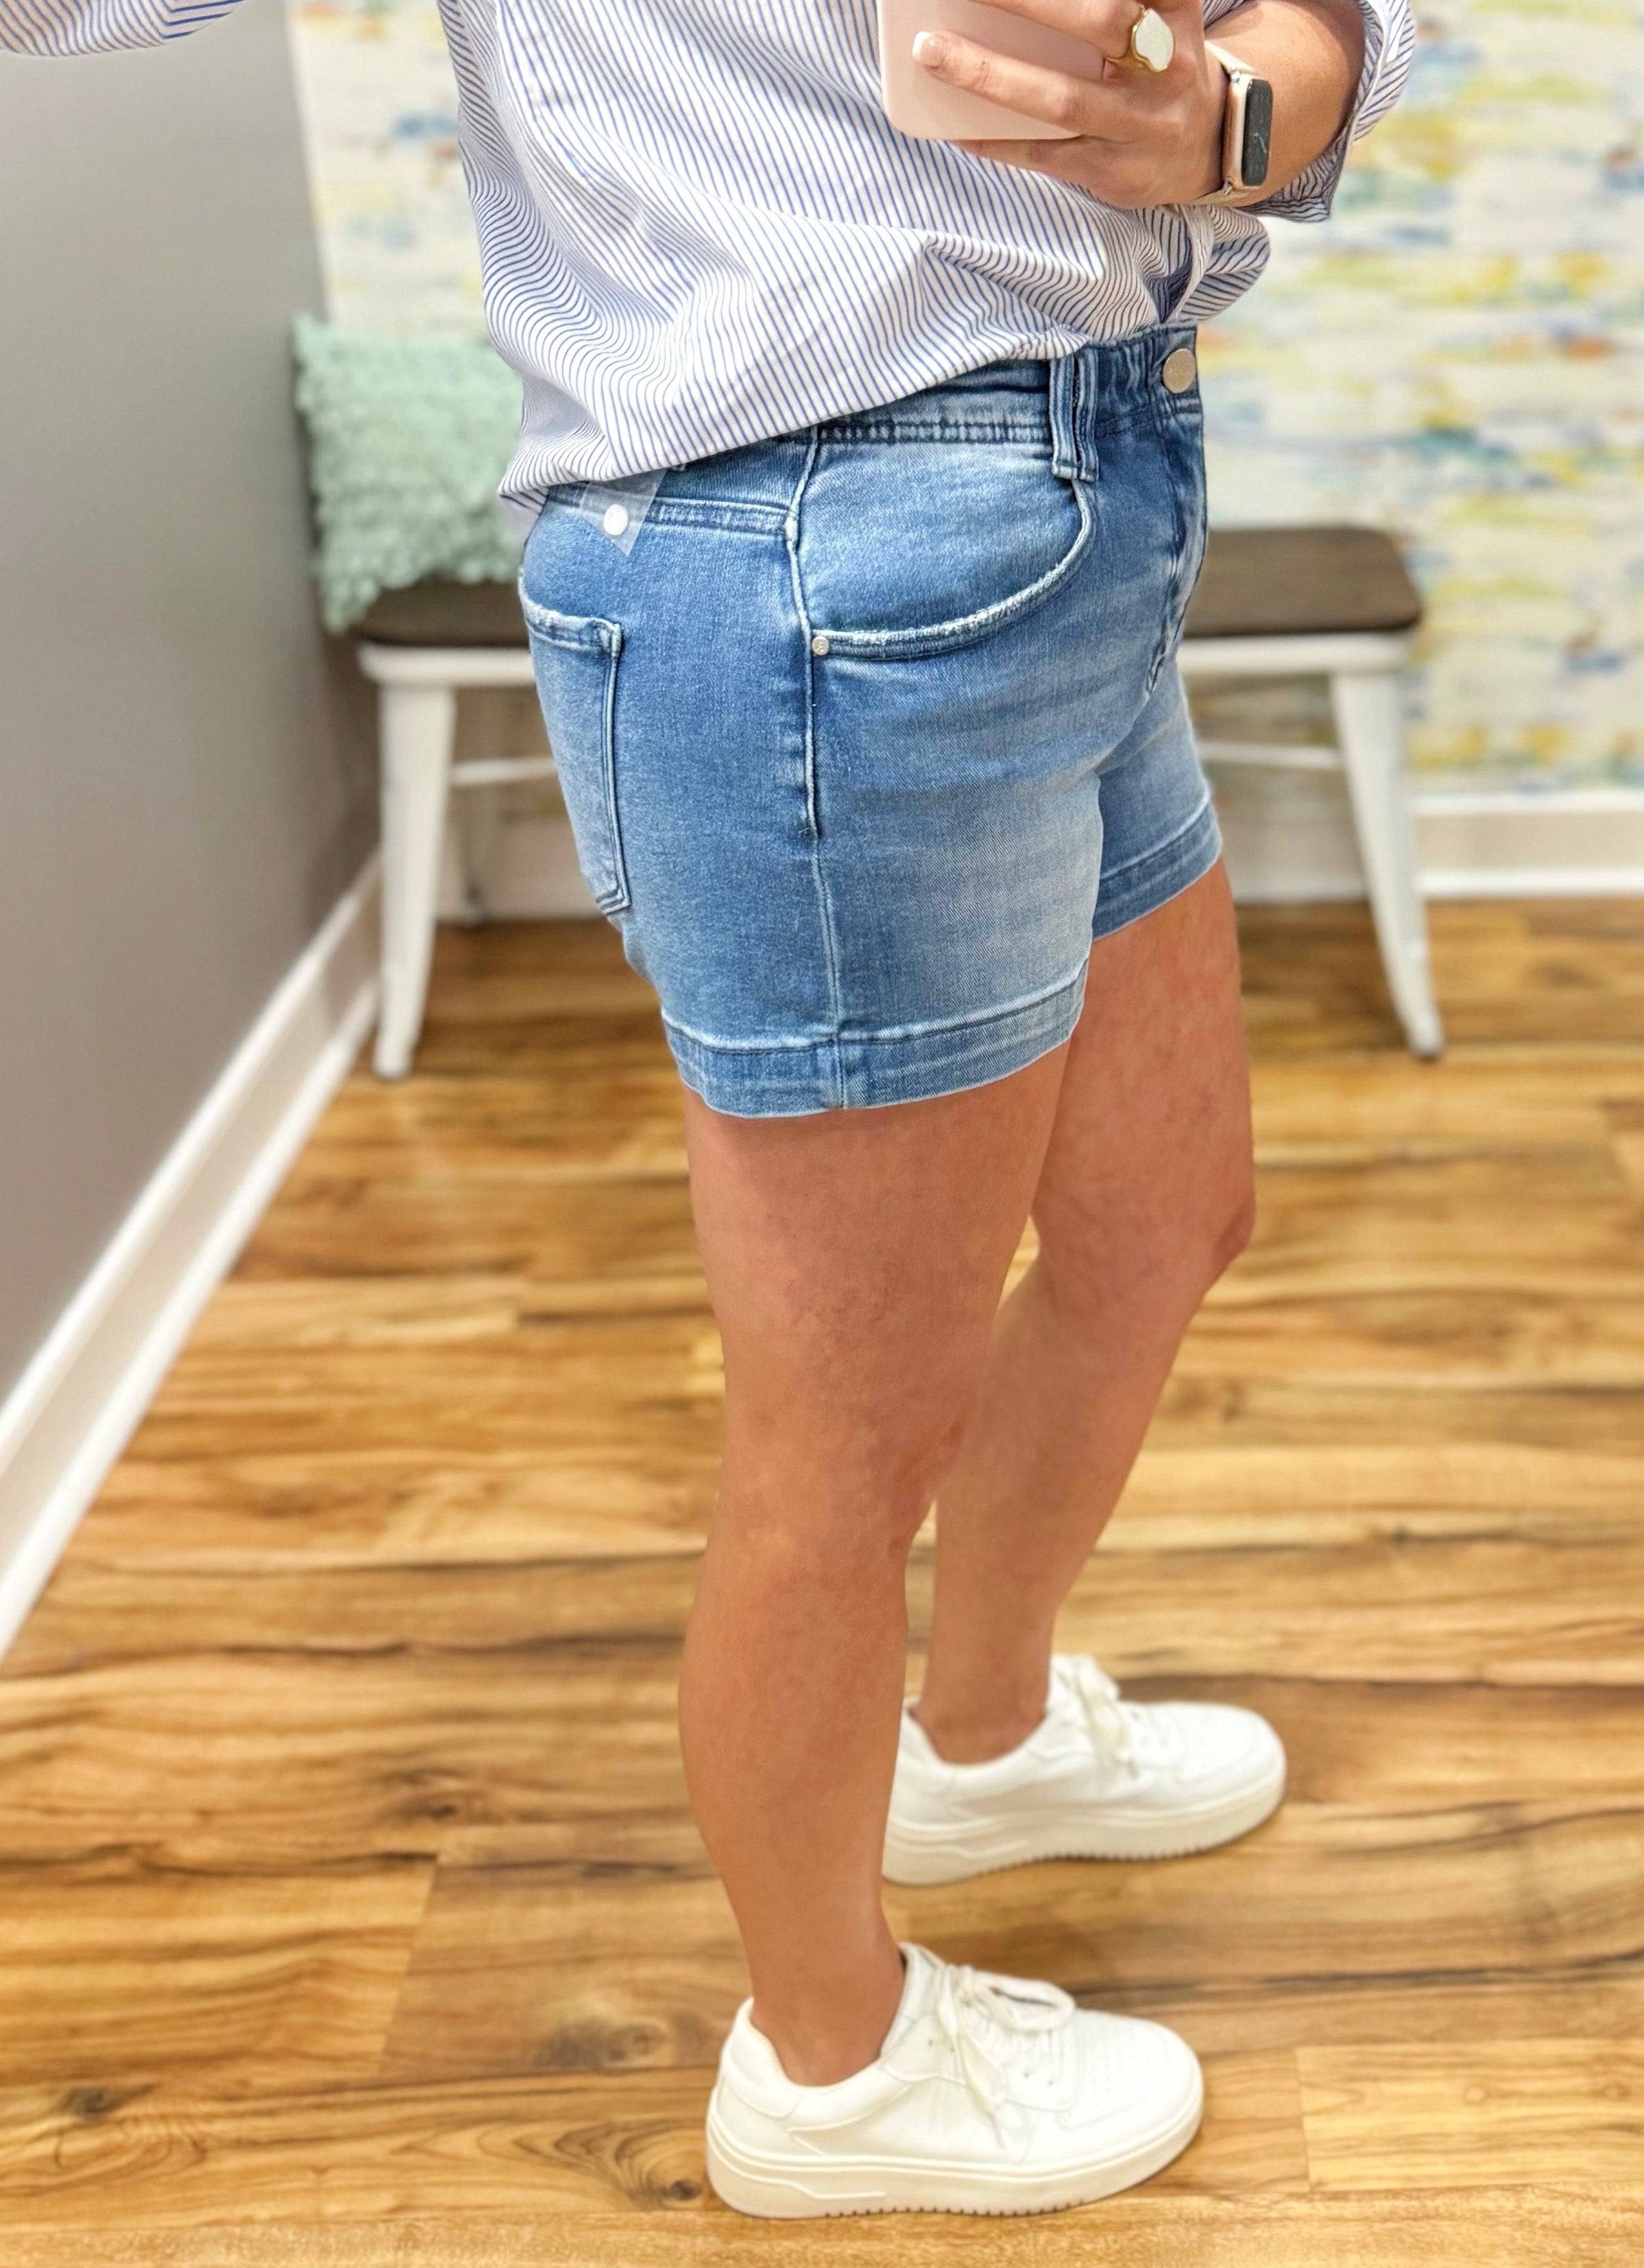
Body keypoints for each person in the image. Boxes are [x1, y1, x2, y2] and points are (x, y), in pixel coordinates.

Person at [5, 0, 1414, 2219]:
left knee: (1166, 1208)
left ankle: (978, 1731)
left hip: (1098, 473)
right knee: (851, 1427)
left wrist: (1256, 89)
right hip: (820, 544)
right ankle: (830, 2067)